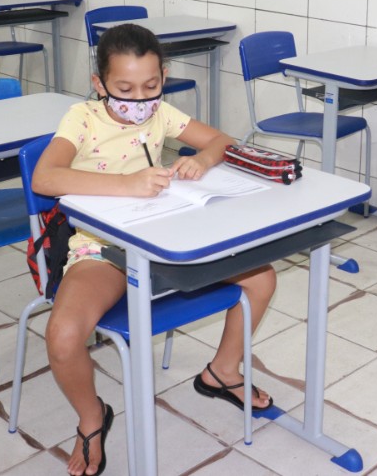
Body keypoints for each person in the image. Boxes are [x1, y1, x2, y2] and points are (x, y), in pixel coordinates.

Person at [32, 24, 276, 476]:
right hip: (104, 250)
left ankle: (222, 370)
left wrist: (200, 160)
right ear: (99, 83)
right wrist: (125, 186)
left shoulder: (161, 113)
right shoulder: (81, 118)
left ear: (163, 76)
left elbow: (222, 140)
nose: (139, 100)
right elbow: (44, 178)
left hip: (167, 242)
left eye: (150, 86)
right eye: (124, 89)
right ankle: (91, 418)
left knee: (260, 277)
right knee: (63, 338)